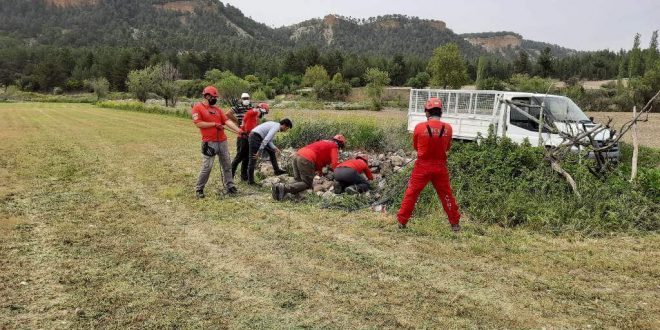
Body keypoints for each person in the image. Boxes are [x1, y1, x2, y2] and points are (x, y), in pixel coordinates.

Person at [396, 97, 461, 232]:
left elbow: (416, 147)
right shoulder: (448, 128)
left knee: (412, 193)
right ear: (440, 112)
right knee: (446, 194)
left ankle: (402, 222)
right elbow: (447, 148)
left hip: (422, 166)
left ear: (427, 112)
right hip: (440, 167)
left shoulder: (419, 127)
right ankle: (455, 224)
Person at [192, 86, 241, 198]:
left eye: (216, 97)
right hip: (209, 143)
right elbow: (198, 123)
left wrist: (239, 130)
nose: (215, 99)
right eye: (213, 97)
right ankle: (199, 189)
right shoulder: (198, 108)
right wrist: (214, 124)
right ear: (207, 96)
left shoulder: (217, 110)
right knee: (207, 167)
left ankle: (230, 186)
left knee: (227, 164)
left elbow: (227, 121)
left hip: (222, 142)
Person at [272, 135, 346, 201]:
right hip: (306, 158)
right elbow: (335, 164)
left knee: (298, 179)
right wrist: (341, 171)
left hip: (298, 155)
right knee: (307, 183)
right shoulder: (334, 146)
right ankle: (284, 188)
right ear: (340, 144)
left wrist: (319, 171)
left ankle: (278, 189)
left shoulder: (324, 142)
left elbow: (320, 157)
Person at [231, 102, 269, 181]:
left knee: (247, 158)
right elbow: (253, 111)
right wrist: (259, 108)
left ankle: (244, 176)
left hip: (249, 138)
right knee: (239, 157)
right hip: (243, 138)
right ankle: (230, 176)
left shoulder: (255, 117)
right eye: (263, 112)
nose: (263, 115)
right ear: (260, 109)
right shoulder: (251, 113)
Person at [247, 119, 293, 184]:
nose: (286, 130)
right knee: (253, 158)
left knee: (272, 152)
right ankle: (250, 181)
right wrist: (259, 152)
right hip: (255, 137)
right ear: (284, 125)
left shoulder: (275, 125)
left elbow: (269, 141)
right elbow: (266, 140)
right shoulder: (276, 127)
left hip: (258, 137)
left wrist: (275, 148)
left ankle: (277, 170)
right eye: (287, 128)